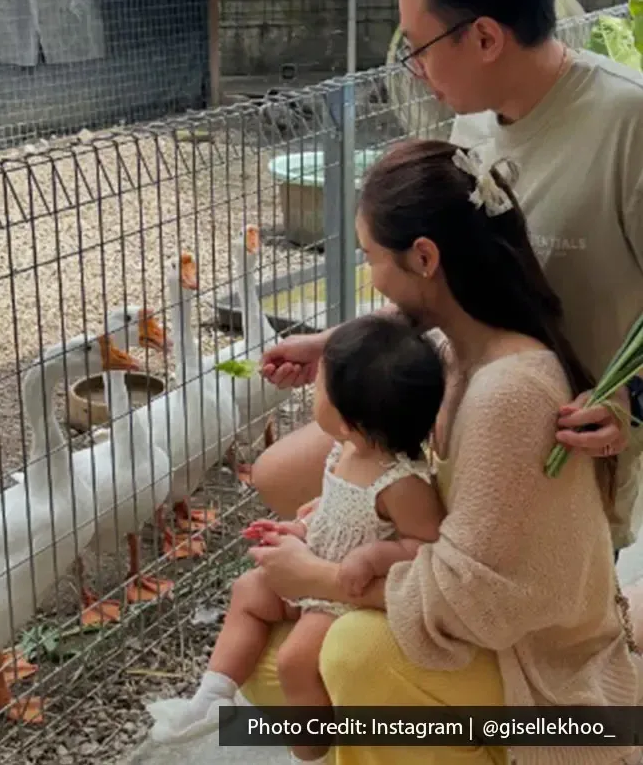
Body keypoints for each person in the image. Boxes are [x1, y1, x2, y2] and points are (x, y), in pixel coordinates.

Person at [252, 0, 643, 558]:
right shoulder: (474, 120)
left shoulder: (627, 125)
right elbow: (452, 278)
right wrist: (342, 341)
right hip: (454, 409)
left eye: (420, 47)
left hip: (554, 443)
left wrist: (628, 411)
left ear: (487, 38)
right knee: (278, 476)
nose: (413, 69)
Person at [240, 139, 641, 765]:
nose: (370, 275)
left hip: (545, 684)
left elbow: (473, 600)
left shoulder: (507, 392)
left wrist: (321, 579)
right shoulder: (456, 354)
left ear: (423, 257)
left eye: (370, 257)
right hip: (502, 640)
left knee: (352, 653)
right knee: (269, 643)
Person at [146, 314, 446, 762]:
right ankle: (211, 698)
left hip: (343, 592)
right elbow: (335, 505)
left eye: (320, 385)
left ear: (349, 420)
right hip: (316, 560)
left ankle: (310, 750)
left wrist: (374, 557)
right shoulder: (344, 449)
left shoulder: (403, 483)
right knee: (248, 590)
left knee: (295, 661)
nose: (313, 391)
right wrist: (300, 528)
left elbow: (426, 546)